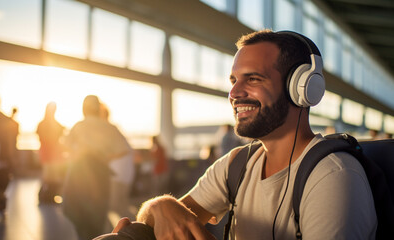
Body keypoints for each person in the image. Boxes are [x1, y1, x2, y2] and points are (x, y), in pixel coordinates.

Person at [110, 30, 376, 239]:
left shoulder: (333, 177)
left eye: (253, 79)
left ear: (301, 88)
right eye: (233, 81)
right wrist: (160, 206)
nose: (235, 93)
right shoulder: (237, 164)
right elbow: (167, 224)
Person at [62, 95, 131, 240]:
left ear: (84, 109)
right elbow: (124, 149)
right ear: (98, 108)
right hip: (101, 174)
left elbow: (66, 146)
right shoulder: (109, 127)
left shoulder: (79, 125)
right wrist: (105, 157)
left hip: (79, 173)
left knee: (76, 211)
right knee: (98, 215)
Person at [0, 96, 18, 212]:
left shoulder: (3, 119)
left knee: (1, 182)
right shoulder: (3, 119)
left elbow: (11, 135)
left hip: (2, 157)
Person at [36, 102, 65, 204]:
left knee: (53, 177)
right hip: (47, 154)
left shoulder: (53, 124)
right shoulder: (43, 124)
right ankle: (43, 196)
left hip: (54, 155)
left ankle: (50, 196)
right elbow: (42, 138)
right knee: (47, 177)